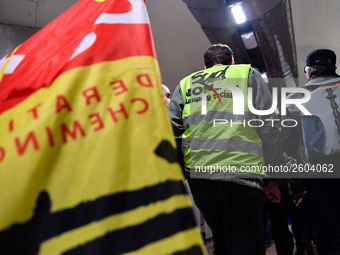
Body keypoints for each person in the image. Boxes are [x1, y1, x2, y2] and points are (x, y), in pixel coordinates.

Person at [168, 43, 282, 255]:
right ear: (232, 61)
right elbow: (269, 126)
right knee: (246, 245)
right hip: (242, 176)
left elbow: (172, 130)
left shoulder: (185, 84)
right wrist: (271, 177)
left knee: (222, 241)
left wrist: (182, 173)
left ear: (205, 66)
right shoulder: (247, 74)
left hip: (201, 181)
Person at [283, 49, 340, 255]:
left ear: (308, 72)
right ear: (334, 68)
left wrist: (297, 185)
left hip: (320, 175)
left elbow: (289, 145)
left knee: (330, 236)